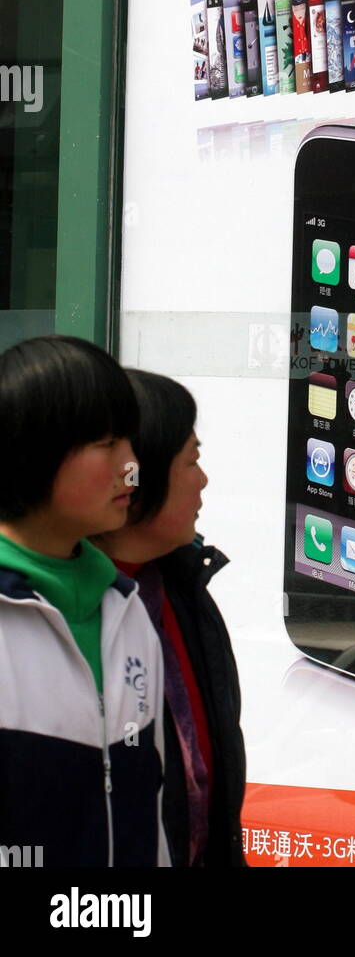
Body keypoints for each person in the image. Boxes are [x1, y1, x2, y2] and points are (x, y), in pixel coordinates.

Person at [0, 335, 168, 867]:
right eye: (107, 443)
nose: (132, 467)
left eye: (130, 442)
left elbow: (150, 811)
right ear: (34, 449)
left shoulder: (126, 609)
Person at [94, 370, 246, 867]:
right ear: (141, 475)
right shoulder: (65, 617)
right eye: (192, 461)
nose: (203, 480)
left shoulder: (183, 588)